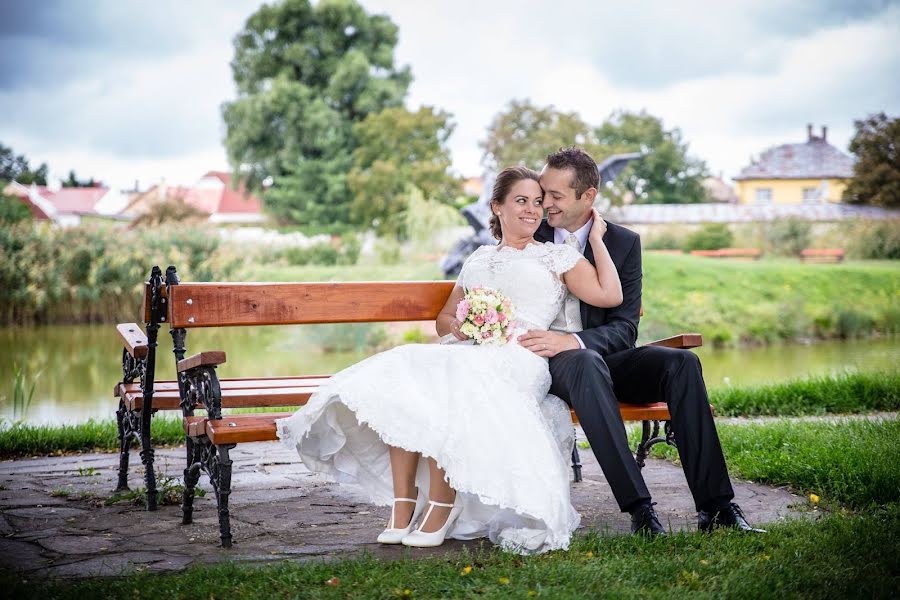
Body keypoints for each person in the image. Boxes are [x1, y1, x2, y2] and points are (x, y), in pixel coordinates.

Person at [277, 166, 623, 553]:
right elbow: (445, 317)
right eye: (521, 201)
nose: (532, 210)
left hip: (521, 356)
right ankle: (403, 504)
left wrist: (596, 239)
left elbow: (609, 295)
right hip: (473, 349)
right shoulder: (478, 258)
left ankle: (443, 504)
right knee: (405, 375)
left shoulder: (556, 257)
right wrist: (469, 326)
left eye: (538, 203)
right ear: (497, 206)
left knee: (453, 384)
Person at [519, 147, 764, 535]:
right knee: (585, 363)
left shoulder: (623, 242)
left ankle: (717, 507)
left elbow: (624, 328)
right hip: (546, 365)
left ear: (588, 196)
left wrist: (576, 341)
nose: (544, 203)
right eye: (542, 192)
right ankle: (640, 509)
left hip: (594, 356)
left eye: (555, 196)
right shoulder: (528, 232)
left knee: (681, 363)